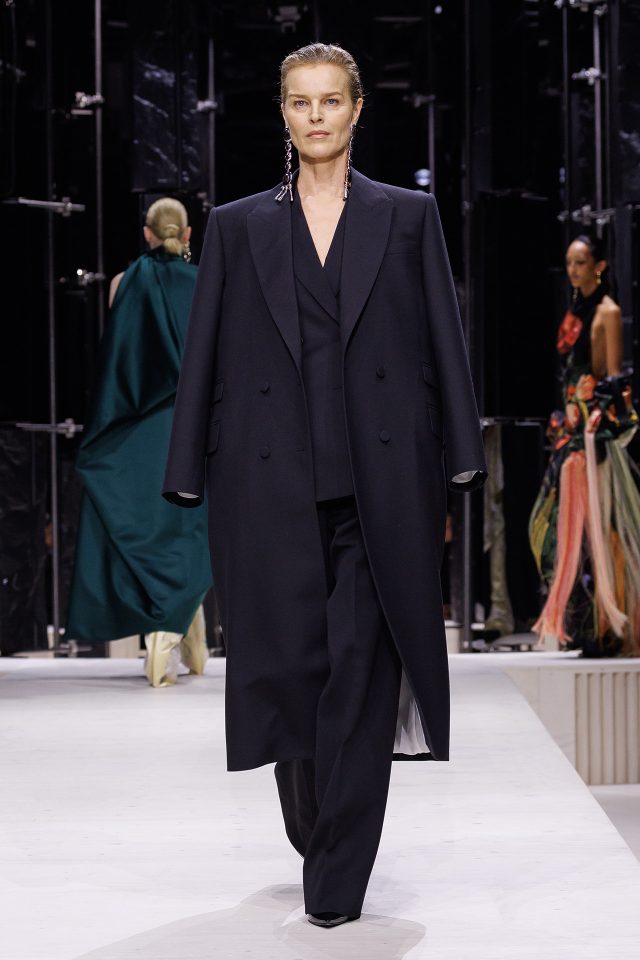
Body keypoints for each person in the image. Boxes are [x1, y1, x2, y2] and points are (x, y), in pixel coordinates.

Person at [163, 44, 486, 927]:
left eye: (330, 100)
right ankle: (317, 825)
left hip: (381, 482)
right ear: (283, 113)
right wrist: (185, 466)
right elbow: (204, 354)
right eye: (301, 102)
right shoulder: (238, 226)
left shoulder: (407, 216)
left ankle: (337, 876)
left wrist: (461, 450)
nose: (316, 116)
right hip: (268, 485)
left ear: (356, 110)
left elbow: (443, 337)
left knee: (364, 671)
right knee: (293, 671)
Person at [66, 197, 212, 686]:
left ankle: (174, 629)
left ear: (147, 234)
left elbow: (125, 359)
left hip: (133, 431)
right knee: (189, 529)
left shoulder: (122, 283)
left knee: (146, 530)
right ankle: (172, 629)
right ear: (187, 235)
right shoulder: (206, 282)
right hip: (190, 424)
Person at [529, 235, 640, 656]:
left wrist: (597, 416)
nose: (573, 270)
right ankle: (586, 625)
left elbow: (612, 377)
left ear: (600, 266)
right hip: (571, 433)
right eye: (570, 263)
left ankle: (606, 627)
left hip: (591, 438)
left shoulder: (607, 312)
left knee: (599, 532)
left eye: (581, 262)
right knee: (557, 530)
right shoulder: (575, 309)